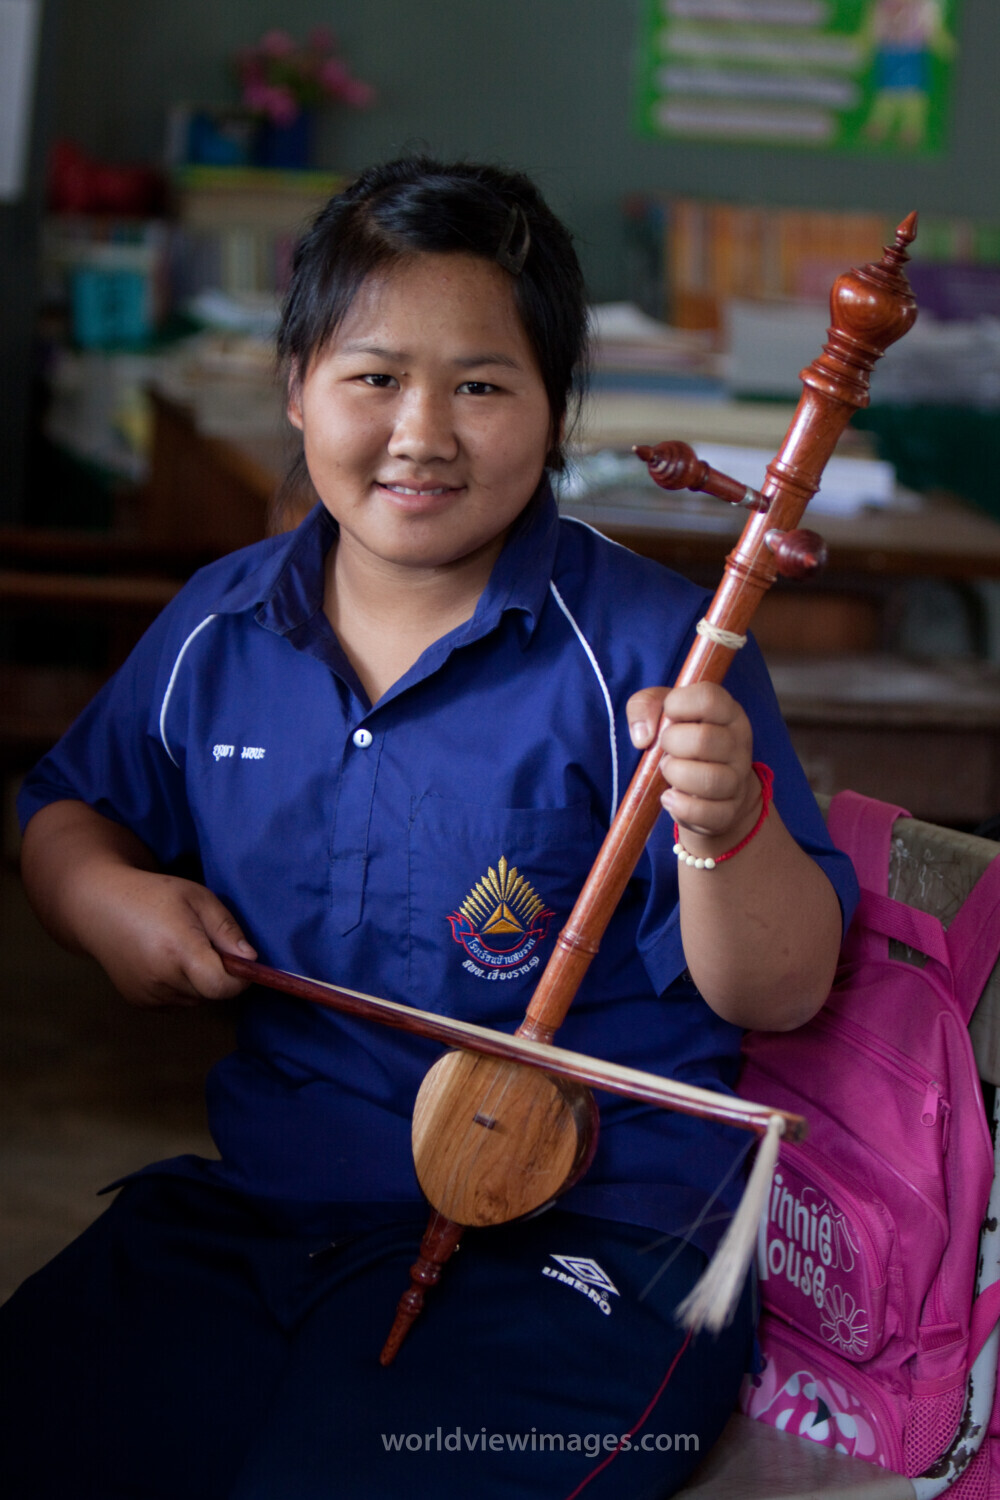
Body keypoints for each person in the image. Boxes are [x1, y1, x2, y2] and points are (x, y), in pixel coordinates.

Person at [0, 158, 854, 1499]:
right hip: (277, 1212)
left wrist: (727, 824)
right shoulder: (218, 629)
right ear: (294, 389)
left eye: (482, 385)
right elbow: (62, 808)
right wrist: (107, 899)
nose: (423, 433)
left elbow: (785, 986)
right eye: (374, 377)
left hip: (595, 1246)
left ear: (557, 410)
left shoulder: (656, 652)